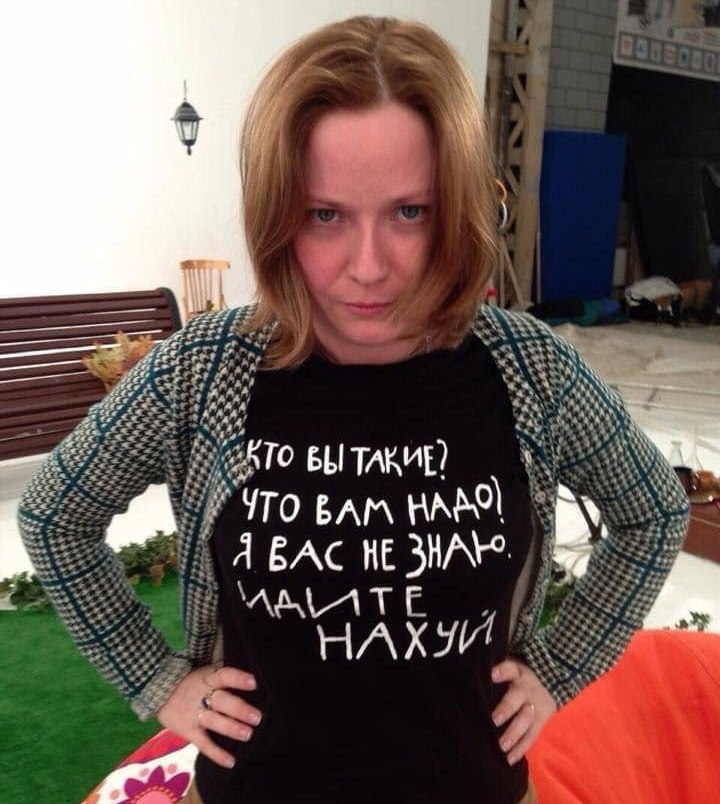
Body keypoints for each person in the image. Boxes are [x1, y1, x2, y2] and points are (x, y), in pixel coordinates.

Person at [18, 15, 689, 804]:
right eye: (324, 214)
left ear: (459, 206)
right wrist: (154, 679)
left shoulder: (529, 368)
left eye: (411, 212)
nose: (368, 268)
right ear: (277, 212)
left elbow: (654, 512)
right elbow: (54, 515)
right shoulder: (204, 369)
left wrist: (560, 669)